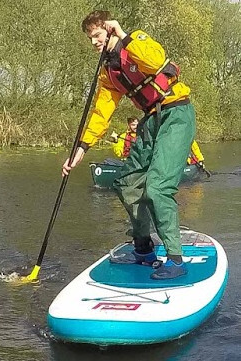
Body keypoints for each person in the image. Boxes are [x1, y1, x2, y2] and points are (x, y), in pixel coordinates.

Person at [62, 10, 196, 280]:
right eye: (90, 38)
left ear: (109, 29)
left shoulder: (135, 41)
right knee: (127, 182)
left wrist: (123, 35)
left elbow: (156, 60)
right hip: (151, 119)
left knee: (157, 187)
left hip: (176, 114)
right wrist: (80, 149)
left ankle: (175, 259)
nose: (93, 43)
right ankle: (144, 248)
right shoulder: (108, 73)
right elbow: (100, 113)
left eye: (97, 35)